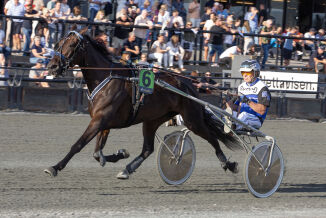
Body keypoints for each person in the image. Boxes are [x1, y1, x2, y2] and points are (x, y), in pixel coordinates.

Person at [225, 60, 271, 132]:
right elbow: (234, 108)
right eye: (243, 72)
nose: (244, 75)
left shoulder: (262, 88)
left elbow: (262, 110)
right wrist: (228, 100)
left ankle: (231, 128)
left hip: (255, 119)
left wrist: (247, 101)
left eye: (248, 72)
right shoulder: (241, 87)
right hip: (240, 117)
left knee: (244, 115)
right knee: (225, 113)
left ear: (255, 73)